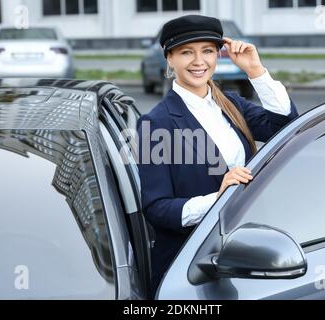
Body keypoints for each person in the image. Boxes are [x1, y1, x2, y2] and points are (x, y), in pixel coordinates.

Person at [136, 15, 299, 297]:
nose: (199, 61)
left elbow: (284, 126)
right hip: (190, 267)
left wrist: (256, 71)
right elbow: (157, 209)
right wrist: (219, 198)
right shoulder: (156, 123)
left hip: (243, 253)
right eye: (187, 52)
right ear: (170, 59)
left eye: (208, 51)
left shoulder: (231, 103)